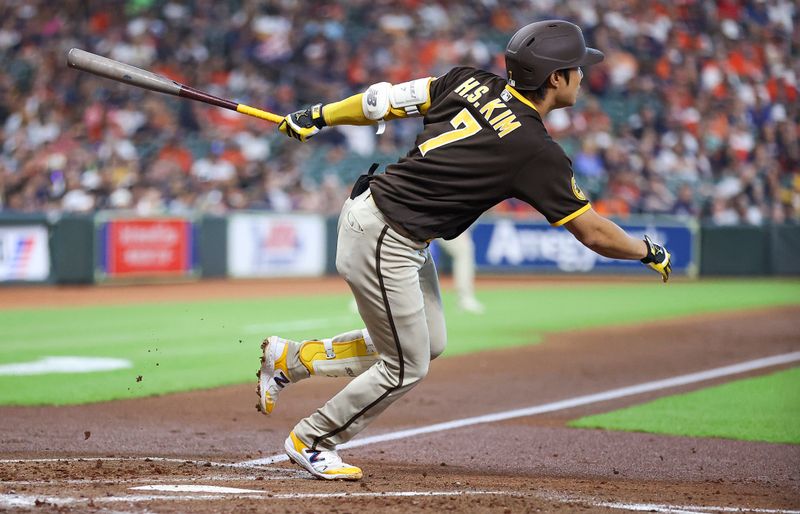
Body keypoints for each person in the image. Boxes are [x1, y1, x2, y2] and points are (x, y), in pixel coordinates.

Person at [255, 20, 672, 481]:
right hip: (384, 234)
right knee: (405, 366)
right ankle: (313, 439)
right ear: (556, 78)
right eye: (575, 68)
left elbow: (380, 102)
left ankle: (295, 359)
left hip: (390, 225)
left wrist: (317, 116)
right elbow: (593, 233)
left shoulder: (470, 80)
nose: (581, 76)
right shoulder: (535, 150)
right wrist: (646, 251)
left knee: (430, 342)